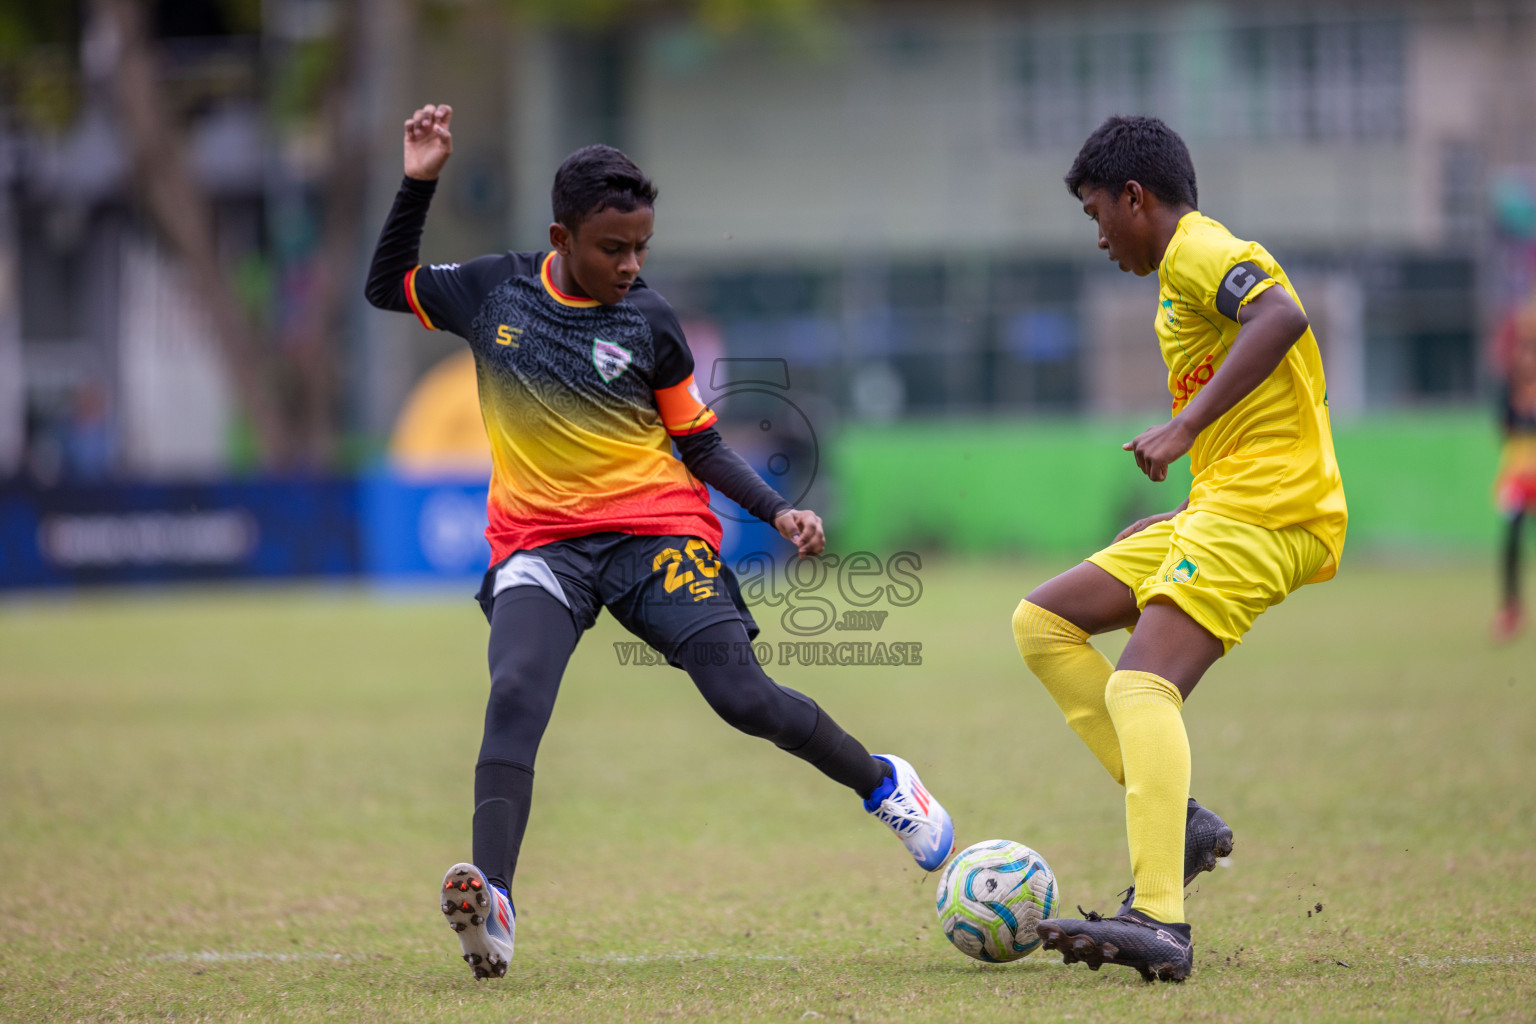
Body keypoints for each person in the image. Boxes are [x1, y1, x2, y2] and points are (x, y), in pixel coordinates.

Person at [363, 104, 954, 979]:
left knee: (743, 699)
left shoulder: (651, 321)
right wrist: (419, 180)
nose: (631, 264)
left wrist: (778, 508)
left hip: (655, 535)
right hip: (540, 544)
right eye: (614, 247)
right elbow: (386, 285)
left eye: (642, 246)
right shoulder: (494, 292)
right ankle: (494, 902)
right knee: (515, 691)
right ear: (561, 235)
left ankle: (882, 783)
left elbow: (700, 441)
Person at [1013, 116, 1347, 982]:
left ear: (1137, 197)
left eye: (1097, 214)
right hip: (1228, 502)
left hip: (1271, 508)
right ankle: (1182, 821)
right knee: (1043, 621)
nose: (1098, 238)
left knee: (1141, 682)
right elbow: (1256, 399)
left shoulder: (1200, 249)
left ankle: (1159, 919)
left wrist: (1183, 425)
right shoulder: (1175, 279)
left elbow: (1284, 314)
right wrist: (1186, 510)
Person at [1492, 313, 1536, 642]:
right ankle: (1510, 609)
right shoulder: (1509, 390)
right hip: (1517, 475)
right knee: (1511, 543)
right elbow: (1504, 429)